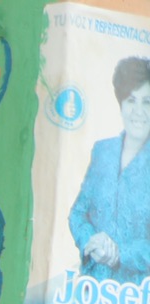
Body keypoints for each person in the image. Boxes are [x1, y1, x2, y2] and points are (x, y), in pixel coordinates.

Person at [69, 57, 150, 281]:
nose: (139, 111)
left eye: (147, 102)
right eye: (131, 100)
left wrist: (119, 253)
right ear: (121, 103)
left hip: (137, 296)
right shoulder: (102, 151)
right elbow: (78, 213)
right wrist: (91, 241)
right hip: (91, 288)